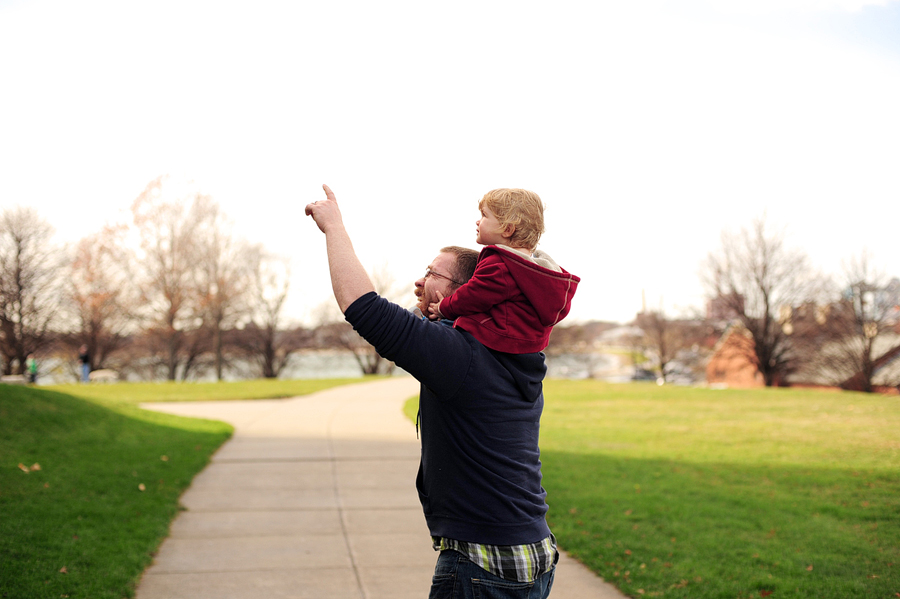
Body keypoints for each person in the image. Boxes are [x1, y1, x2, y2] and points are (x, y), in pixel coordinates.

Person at [306, 185, 559, 599]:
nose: (419, 283)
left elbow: (365, 309)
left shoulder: (461, 356)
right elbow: (410, 328)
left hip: (484, 561)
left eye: (432, 274)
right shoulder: (510, 353)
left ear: (467, 290)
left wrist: (334, 228)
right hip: (531, 551)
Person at [428, 188, 580, 354]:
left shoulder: (501, 264)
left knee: (453, 325)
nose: (478, 221)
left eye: (484, 215)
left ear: (507, 229)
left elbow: (473, 296)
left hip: (500, 339)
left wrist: (444, 307)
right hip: (529, 345)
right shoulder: (532, 268)